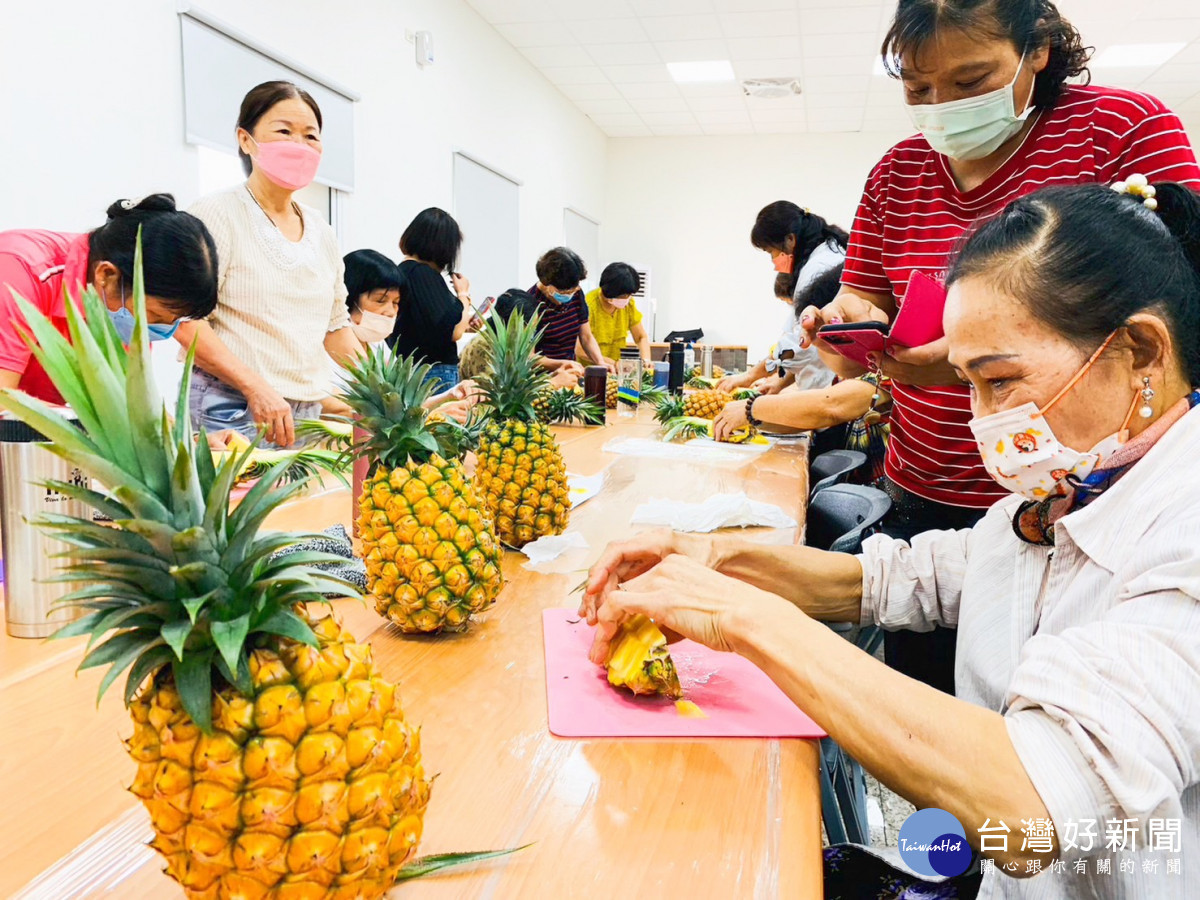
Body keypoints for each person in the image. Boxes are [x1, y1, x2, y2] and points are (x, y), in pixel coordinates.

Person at [584, 180, 1200, 899]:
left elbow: (1033, 794)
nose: (982, 419)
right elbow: (897, 579)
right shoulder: (1059, 496)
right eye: (967, 382)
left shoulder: (1181, 523)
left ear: (1141, 353)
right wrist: (713, 558)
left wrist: (742, 618)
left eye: (1000, 381)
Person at [795, 0, 1200, 695]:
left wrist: (964, 364)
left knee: (1063, 730)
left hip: (1089, 498)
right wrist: (847, 322)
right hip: (930, 484)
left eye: (971, 79)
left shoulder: (1120, 131)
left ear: (1036, 51)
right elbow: (863, 310)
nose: (942, 106)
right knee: (936, 705)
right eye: (919, 89)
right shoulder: (898, 173)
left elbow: (1176, 299)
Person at [179, 80, 362, 449]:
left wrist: (388, 390)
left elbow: (335, 328)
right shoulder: (217, 213)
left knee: (302, 506)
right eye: (284, 131)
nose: (299, 145)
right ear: (246, 140)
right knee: (238, 507)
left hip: (305, 411)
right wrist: (255, 386)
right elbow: (185, 320)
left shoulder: (322, 231)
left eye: (311, 136)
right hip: (231, 405)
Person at [0, 195, 217, 403]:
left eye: (173, 321)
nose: (158, 330)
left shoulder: (125, 312)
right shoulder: (17, 271)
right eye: (154, 315)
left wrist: (193, 440)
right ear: (106, 275)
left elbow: (128, 412)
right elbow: (4, 401)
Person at [714, 266, 892, 479]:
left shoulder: (888, 372)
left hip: (880, 496)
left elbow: (830, 406)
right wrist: (752, 419)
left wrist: (751, 408)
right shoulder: (852, 371)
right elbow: (814, 420)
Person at [718, 201, 843, 395]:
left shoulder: (818, 268)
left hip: (830, 388)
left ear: (791, 240)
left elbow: (800, 344)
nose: (774, 262)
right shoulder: (829, 253)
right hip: (826, 384)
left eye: (771, 252)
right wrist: (779, 383)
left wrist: (750, 375)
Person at [338, 249, 477, 421]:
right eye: (380, 300)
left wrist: (450, 394)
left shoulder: (379, 347)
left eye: (396, 303)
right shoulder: (325, 349)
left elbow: (406, 406)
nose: (390, 312)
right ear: (348, 297)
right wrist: (430, 416)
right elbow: (345, 412)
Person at [386, 208, 481, 392]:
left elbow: (426, 326)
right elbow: (452, 333)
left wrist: (465, 323)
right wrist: (464, 295)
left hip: (410, 371)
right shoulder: (425, 275)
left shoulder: (402, 272)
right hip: (434, 373)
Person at [529, 247, 611, 374]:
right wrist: (562, 364)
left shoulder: (576, 294)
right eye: (566, 292)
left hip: (571, 373)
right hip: (544, 380)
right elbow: (529, 357)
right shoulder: (531, 304)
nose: (571, 294)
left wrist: (600, 362)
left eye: (575, 289)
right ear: (547, 284)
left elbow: (586, 337)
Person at [576, 262, 651, 368]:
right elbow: (580, 349)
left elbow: (640, 337)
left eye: (629, 295)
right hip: (590, 372)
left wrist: (646, 360)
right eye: (623, 296)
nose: (627, 299)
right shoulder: (589, 305)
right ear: (607, 294)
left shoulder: (628, 304)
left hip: (617, 372)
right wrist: (612, 363)